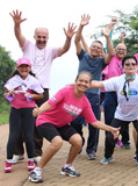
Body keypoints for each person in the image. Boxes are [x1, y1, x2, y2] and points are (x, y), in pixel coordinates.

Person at [28, 71, 119, 183]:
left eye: (86, 82)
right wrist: (40, 110)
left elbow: (94, 122)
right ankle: (37, 170)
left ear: (89, 85)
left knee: (78, 141)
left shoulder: (85, 102)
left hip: (61, 125)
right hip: (45, 120)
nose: (83, 83)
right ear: (76, 81)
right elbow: (50, 103)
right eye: (81, 80)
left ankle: (67, 167)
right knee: (57, 142)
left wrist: (111, 129)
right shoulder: (66, 91)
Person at [10, 9, 76, 161]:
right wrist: (17, 24)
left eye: (44, 37)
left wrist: (68, 38)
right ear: (34, 37)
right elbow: (18, 36)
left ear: (47, 38)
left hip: (42, 90)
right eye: (39, 36)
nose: (41, 39)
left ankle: (36, 154)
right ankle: (17, 153)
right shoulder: (27, 46)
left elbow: (65, 49)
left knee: (38, 121)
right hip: (23, 89)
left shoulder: (51, 51)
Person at [91, 56, 138, 168]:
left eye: (133, 64)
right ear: (123, 68)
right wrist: (84, 82)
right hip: (121, 115)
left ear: (137, 67)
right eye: (127, 64)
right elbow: (100, 84)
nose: (130, 66)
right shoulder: (117, 80)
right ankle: (108, 156)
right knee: (111, 135)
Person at [72, 14, 113, 160]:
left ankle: (91, 149)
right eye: (94, 47)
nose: (96, 49)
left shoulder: (102, 62)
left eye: (98, 48)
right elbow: (76, 40)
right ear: (90, 48)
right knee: (75, 122)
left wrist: (107, 37)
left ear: (101, 51)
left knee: (94, 124)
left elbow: (111, 54)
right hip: (77, 95)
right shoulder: (82, 55)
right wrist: (81, 26)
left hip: (94, 96)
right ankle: (79, 141)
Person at [3, 58, 44, 173]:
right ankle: (9, 161)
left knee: (28, 136)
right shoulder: (13, 80)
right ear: (18, 68)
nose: (24, 69)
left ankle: (31, 160)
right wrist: (9, 93)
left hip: (28, 111)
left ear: (30, 68)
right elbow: (5, 94)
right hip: (15, 110)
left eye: (26, 66)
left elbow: (40, 95)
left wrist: (30, 95)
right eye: (21, 66)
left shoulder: (33, 81)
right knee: (13, 136)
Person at [102, 32, 131, 149]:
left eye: (123, 50)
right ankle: (111, 139)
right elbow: (113, 49)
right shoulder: (112, 58)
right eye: (118, 49)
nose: (121, 51)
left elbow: (122, 49)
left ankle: (126, 140)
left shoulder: (128, 61)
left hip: (124, 92)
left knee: (124, 117)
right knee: (109, 117)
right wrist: (108, 36)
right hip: (110, 93)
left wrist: (122, 40)